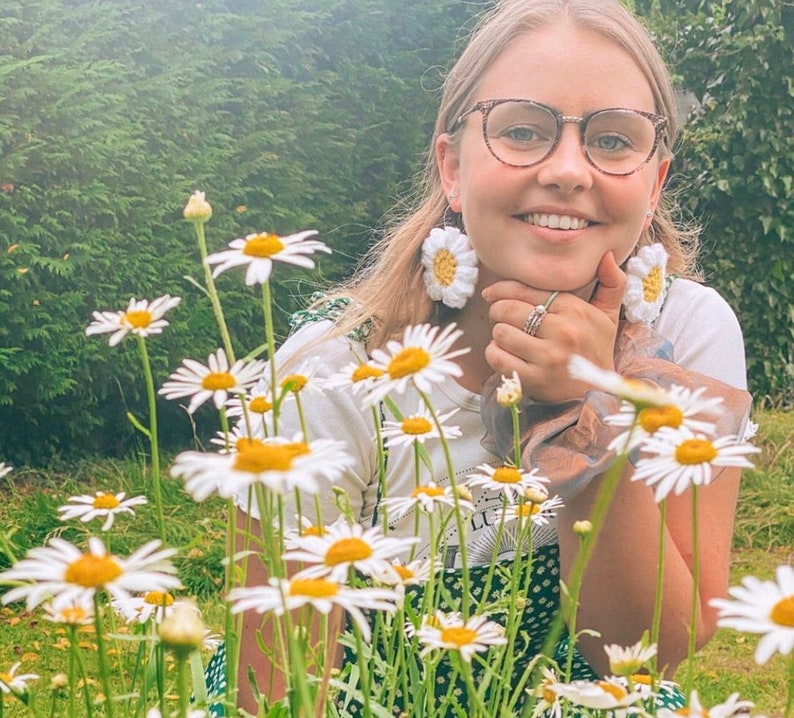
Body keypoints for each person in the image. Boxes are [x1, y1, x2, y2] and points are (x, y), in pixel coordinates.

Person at [210, 0, 754, 714]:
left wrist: (587, 411)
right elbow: (275, 693)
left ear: (653, 184)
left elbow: (652, 649)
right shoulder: (334, 371)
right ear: (452, 169)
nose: (568, 170)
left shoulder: (690, 336)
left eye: (615, 140)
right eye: (522, 131)